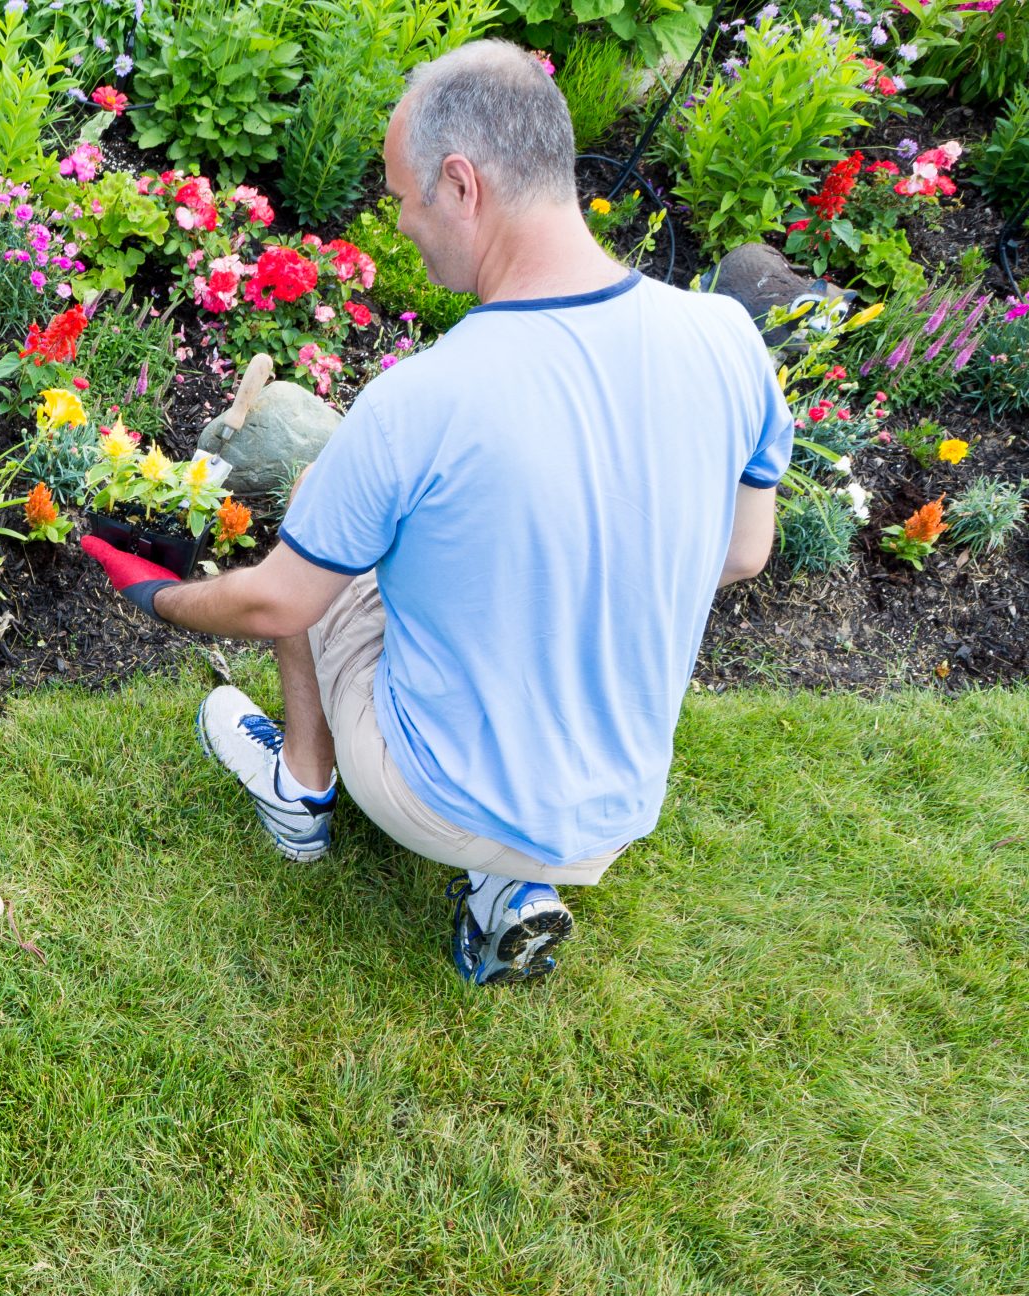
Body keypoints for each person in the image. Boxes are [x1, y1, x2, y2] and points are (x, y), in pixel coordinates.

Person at [84, 40, 790, 985]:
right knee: (477, 559)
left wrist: (162, 597)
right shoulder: (725, 339)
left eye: (404, 196)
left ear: (461, 184)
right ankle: (511, 887)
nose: (402, 222)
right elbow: (744, 550)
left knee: (320, 523)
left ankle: (301, 789)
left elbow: (278, 605)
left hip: (436, 795)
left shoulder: (424, 399)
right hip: (615, 810)